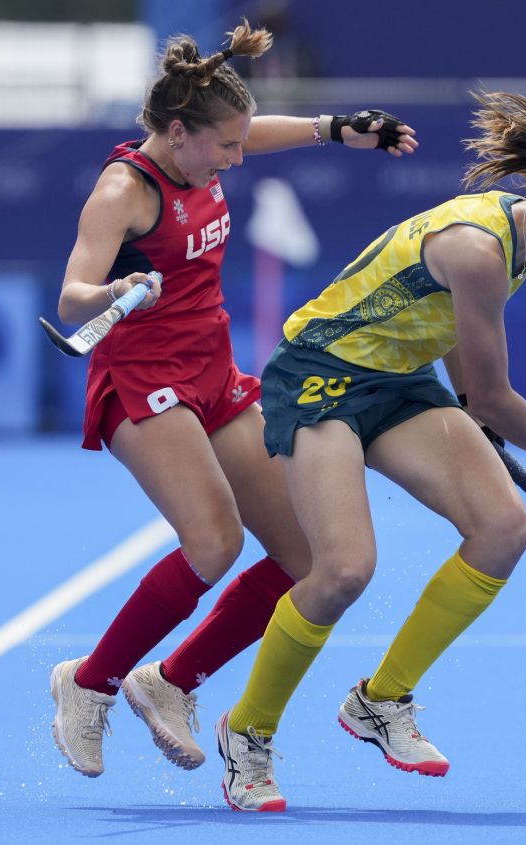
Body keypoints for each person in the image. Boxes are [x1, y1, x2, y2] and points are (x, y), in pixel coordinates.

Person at [214, 90, 526, 812]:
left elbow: (431, 329)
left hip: (396, 380)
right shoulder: (481, 251)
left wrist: (473, 421)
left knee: (502, 529)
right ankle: (247, 732)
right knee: (344, 569)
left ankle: (380, 701)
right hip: (322, 374)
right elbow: (491, 399)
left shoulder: (523, 238)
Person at [48, 19, 418, 785]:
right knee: (212, 543)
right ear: (178, 133)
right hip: (143, 386)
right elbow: (73, 296)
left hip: (214, 376)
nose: (237, 156)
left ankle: (170, 680)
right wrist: (117, 287)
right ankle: (89, 686)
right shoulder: (123, 191)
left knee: (305, 555)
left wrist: (334, 130)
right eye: (225, 146)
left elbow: (258, 132)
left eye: (240, 142)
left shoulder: (203, 148)